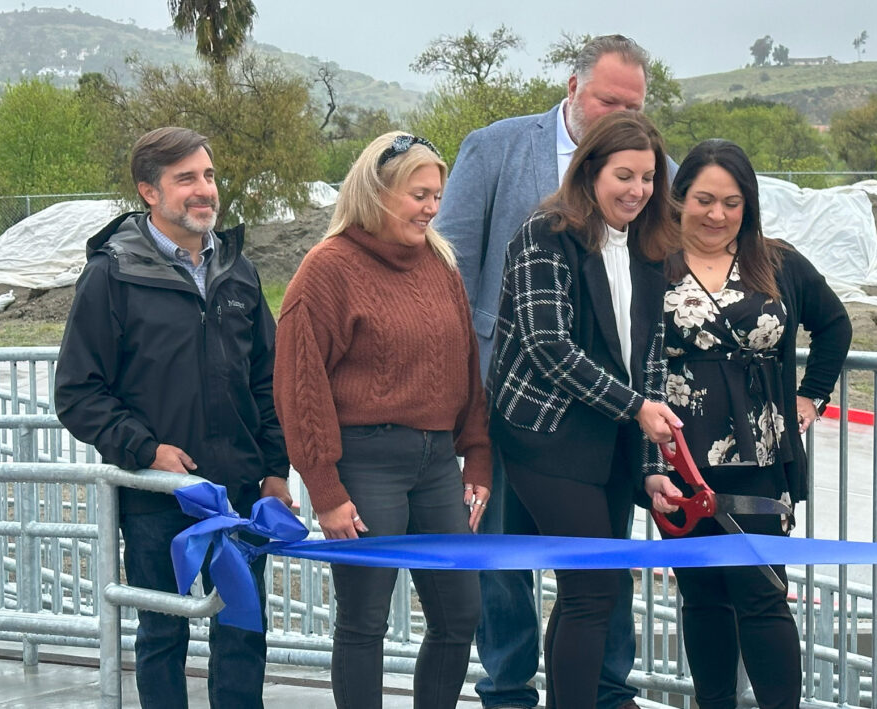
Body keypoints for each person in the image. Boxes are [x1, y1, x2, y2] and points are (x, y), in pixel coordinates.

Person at [434, 33, 658, 709]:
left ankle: (607, 688)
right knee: (503, 561)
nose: (619, 110)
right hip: (510, 406)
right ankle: (506, 686)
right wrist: (466, 396)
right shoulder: (497, 147)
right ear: (572, 87)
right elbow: (448, 267)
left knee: (597, 567)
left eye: (634, 102)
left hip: (604, 418)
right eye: (608, 98)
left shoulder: (639, 187)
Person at [54, 126, 290, 709]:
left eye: (208, 176)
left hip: (237, 492)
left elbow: (269, 381)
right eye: (185, 178)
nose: (204, 190)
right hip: (158, 494)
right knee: (162, 634)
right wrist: (146, 451)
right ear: (149, 192)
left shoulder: (240, 272)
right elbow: (78, 391)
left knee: (243, 632)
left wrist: (276, 468)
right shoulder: (112, 276)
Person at [272, 131, 488, 709]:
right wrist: (325, 487)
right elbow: (301, 384)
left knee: (459, 611)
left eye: (437, 195)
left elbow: (465, 361)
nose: (432, 208)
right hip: (366, 463)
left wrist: (478, 456)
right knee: (366, 617)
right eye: (419, 195)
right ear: (377, 191)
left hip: (438, 462)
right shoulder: (328, 268)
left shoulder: (440, 263)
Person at [644, 139, 850, 709]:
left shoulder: (776, 260)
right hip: (678, 456)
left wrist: (810, 398)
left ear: (748, 205)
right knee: (703, 596)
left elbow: (835, 326)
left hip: (760, 460)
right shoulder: (649, 260)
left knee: (762, 596)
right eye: (704, 199)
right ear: (678, 198)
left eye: (732, 202)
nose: (717, 214)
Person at [490, 110, 682, 709]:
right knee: (594, 588)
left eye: (649, 178)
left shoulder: (653, 249)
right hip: (542, 435)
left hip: (609, 439)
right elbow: (548, 347)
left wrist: (651, 462)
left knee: (587, 592)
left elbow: (650, 359)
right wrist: (637, 409)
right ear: (590, 170)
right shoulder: (543, 234)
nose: (638, 190)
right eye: (624, 175)